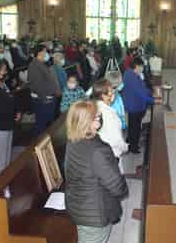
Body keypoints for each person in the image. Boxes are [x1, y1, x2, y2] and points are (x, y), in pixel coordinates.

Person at [65, 100, 128, 243]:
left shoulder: (73, 140)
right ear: (86, 121)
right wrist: (123, 187)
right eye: (96, 115)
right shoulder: (98, 150)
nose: (99, 115)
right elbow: (116, 185)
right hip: (95, 213)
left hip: (78, 205)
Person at [92, 79, 128, 172]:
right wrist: (125, 147)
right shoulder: (109, 114)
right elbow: (117, 140)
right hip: (112, 154)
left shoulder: (95, 107)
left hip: (100, 154)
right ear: (103, 96)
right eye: (111, 91)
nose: (113, 93)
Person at [122, 58, 155, 154]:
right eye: (142, 67)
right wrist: (154, 100)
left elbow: (142, 87)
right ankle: (134, 148)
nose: (142, 69)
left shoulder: (130, 73)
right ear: (136, 66)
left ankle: (130, 142)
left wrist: (150, 92)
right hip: (135, 106)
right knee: (135, 128)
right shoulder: (132, 77)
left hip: (134, 105)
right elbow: (140, 94)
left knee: (133, 126)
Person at [28, 45, 61, 136]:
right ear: (40, 53)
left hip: (48, 98)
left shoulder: (41, 63)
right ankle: (38, 145)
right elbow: (36, 85)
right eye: (45, 51)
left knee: (46, 124)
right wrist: (45, 98)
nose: (47, 53)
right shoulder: (34, 65)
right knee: (41, 125)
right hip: (43, 100)